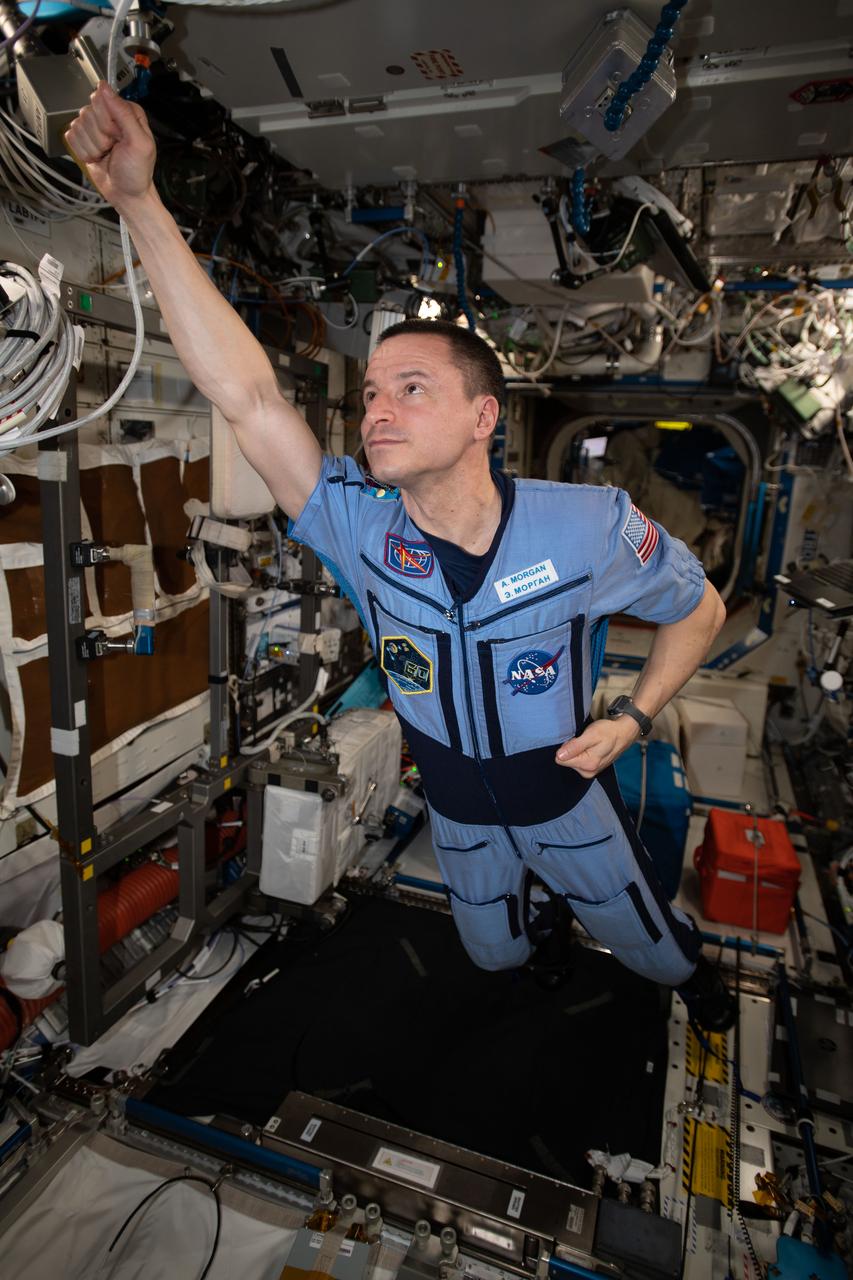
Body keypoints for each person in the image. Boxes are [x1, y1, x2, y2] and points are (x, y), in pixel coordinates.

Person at [67, 84, 735, 1030]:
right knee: (492, 949)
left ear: (481, 419)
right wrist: (138, 199)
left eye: (410, 388)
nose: (376, 407)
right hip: (455, 811)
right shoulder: (358, 526)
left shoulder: (586, 526)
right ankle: (534, 937)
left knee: (645, 944)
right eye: (372, 390)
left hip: (564, 801)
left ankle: (693, 980)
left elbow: (698, 609)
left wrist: (633, 716)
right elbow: (250, 398)